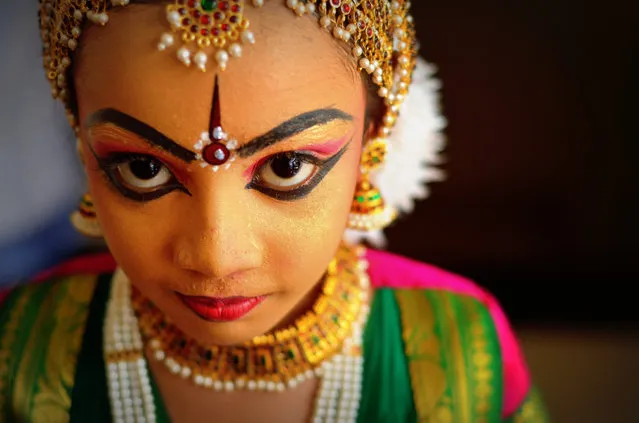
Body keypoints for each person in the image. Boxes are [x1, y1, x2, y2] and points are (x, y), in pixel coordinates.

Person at [0, 0, 549, 422]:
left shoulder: (457, 342)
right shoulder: (23, 344)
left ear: (372, 145)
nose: (216, 256)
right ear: (83, 148)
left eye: (286, 166)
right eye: (144, 169)